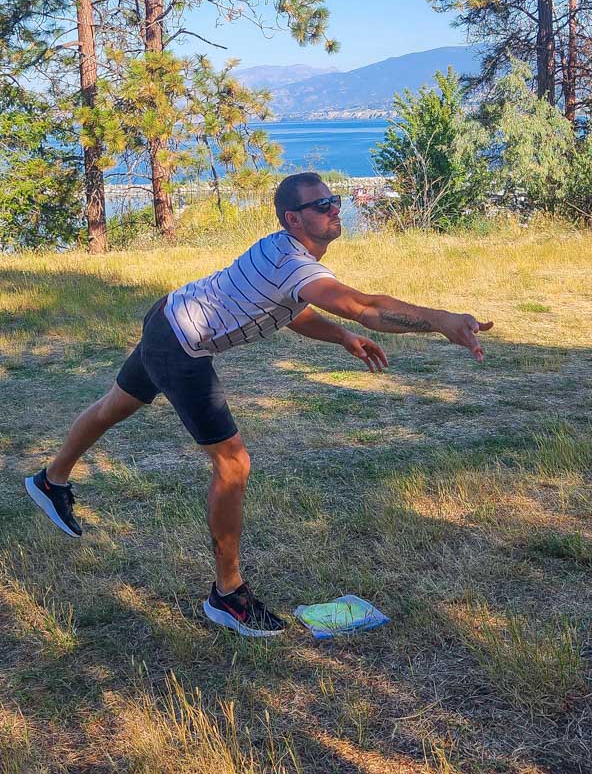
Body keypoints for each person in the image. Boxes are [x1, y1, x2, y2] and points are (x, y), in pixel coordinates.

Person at [24, 172, 493, 638]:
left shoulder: (282, 252)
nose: (335, 208)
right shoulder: (294, 261)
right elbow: (363, 305)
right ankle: (228, 595)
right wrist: (439, 320)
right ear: (294, 218)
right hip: (182, 343)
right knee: (233, 465)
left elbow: (295, 312)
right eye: (322, 204)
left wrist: (343, 337)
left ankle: (50, 480)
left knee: (114, 407)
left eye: (335, 199)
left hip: (167, 316)